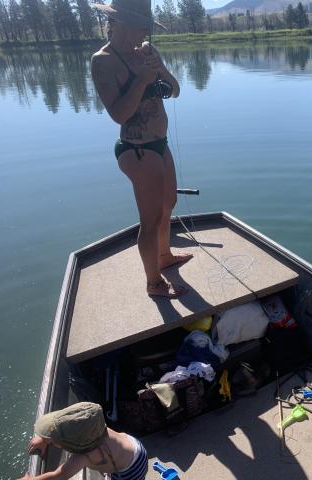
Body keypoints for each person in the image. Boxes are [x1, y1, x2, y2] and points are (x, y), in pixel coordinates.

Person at [91, 0, 192, 298]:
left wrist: (160, 69)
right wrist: (142, 80)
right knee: (151, 220)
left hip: (159, 144)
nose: (145, 33)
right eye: (141, 27)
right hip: (136, 149)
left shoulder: (147, 52)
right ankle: (154, 283)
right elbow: (119, 114)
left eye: (147, 27)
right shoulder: (103, 61)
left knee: (168, 203)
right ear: (119, 23)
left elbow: (175, 90)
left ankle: (164, 256)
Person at [19, 402, 147, 480]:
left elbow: (59, 476)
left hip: (131, 471)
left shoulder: (82, 457)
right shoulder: (93, 427)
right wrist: (44, 438)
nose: (50, 441)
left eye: (52, 440)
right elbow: (64, 423)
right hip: (134, 446)